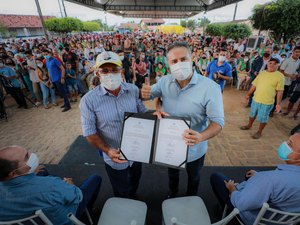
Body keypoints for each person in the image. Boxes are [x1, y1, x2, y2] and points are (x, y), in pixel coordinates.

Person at [141, 42, 224, 197]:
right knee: (172, 174)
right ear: (168, 64)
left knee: (194, 177)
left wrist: (201, 137)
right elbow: (150, 94)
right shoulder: (165, 82)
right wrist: (145, 93)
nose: (179, 64)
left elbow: (218, 122)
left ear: (192, 59)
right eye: (174, 61)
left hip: (194, 149)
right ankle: (173, 193)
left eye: (183, 59)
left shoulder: (210, 88)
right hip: (170, 144)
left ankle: (191, 197)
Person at [79, 51, 147, 198]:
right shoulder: (88, 101)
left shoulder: (133, 90)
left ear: (121, 71)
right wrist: (107, 150)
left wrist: (156, 114)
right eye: (105, 70)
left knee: (135, 182)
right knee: (121, 190)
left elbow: (142, 112)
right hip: (114, 158)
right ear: (97, 73)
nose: (110, 74)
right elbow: (89, 133)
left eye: (114, 70)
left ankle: (133, 198)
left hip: (137, 153)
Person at [210, 132, 300, 225]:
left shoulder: (268, 179)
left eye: (290, 144)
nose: (285, 144)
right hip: (284, 219)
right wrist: (257, 176)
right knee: (252, 172)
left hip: (254, 218)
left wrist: (232, 190)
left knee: (217, 178)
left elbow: (242, 204)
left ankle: (228, 213)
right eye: (287, 141)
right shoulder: (268, 178)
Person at [0, 145, 102, 224]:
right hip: (64, 218)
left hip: (31, 219)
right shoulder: (50, 187)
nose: (31, 154)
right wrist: (72, 185)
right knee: (95, 178)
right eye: (26, 156)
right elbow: (77, 196)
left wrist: (27, 174)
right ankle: (87, 208)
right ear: (13, 173)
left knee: (42, 170)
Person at [240, 58, 284, 139]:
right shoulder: (262, 73)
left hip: (267, 102)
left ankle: (259, 132)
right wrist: (248, 94)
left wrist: (278, 104)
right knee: (252, 114)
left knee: (263, 118)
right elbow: (254, 85)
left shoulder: (280, 76)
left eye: (275, 64)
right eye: (270, 63)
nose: (272, 65)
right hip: (256, 99)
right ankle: (249, 125)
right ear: (267, 64)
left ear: (278, 65)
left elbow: (280, 91)